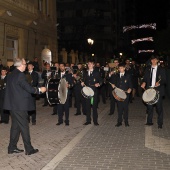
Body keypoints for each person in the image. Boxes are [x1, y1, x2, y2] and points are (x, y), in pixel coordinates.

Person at [3, 58, 46, 155]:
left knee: (15, 127)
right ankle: (29, 149)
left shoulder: (10, 75)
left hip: (12, 105)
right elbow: (28, 88)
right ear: (21, 65)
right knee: (24, 127)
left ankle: (12, 147)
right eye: (24, 63)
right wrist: (39, 90)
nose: (26, 65)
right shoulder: (20, 75)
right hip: (20, 106)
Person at [141, 55, 166, 129]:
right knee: (149, 107)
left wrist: (159, 83)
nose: (154, 61)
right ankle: (149, 121)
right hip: (149, 90)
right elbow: (145, 78)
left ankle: (160, 123)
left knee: (159, 108)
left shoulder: (161, 69)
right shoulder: (148, 69)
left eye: (155, 60)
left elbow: (164, 80)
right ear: (151, 60)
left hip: (158, 90)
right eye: (152, 60)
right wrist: (143, 82)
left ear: (157, 60)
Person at [81, 60, 103, 126]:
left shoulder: (96, 72)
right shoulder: (85, 72)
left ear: (93, 65)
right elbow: (83, 80)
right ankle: (88, 120)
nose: (89, 65)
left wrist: (98, 84)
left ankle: (95, 121)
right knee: (87, 106)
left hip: (94, 91)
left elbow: (101, 80)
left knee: (94, 107)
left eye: (91, 64)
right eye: (88, 64)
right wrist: (82, 83)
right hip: (87, 91)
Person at [111, 63, 132, 127]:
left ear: (124, 68)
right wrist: (113, 85)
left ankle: (126, 121)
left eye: (122, 68)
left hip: (125, 94)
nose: (120, 69)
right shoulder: (116, 75)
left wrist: (130, 89)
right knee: (119, 108)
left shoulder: (128, 75)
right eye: (119, 68)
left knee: (125, 108)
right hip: (118, 94)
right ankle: (119, 122)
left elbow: (131, 84)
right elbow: (114, 83)